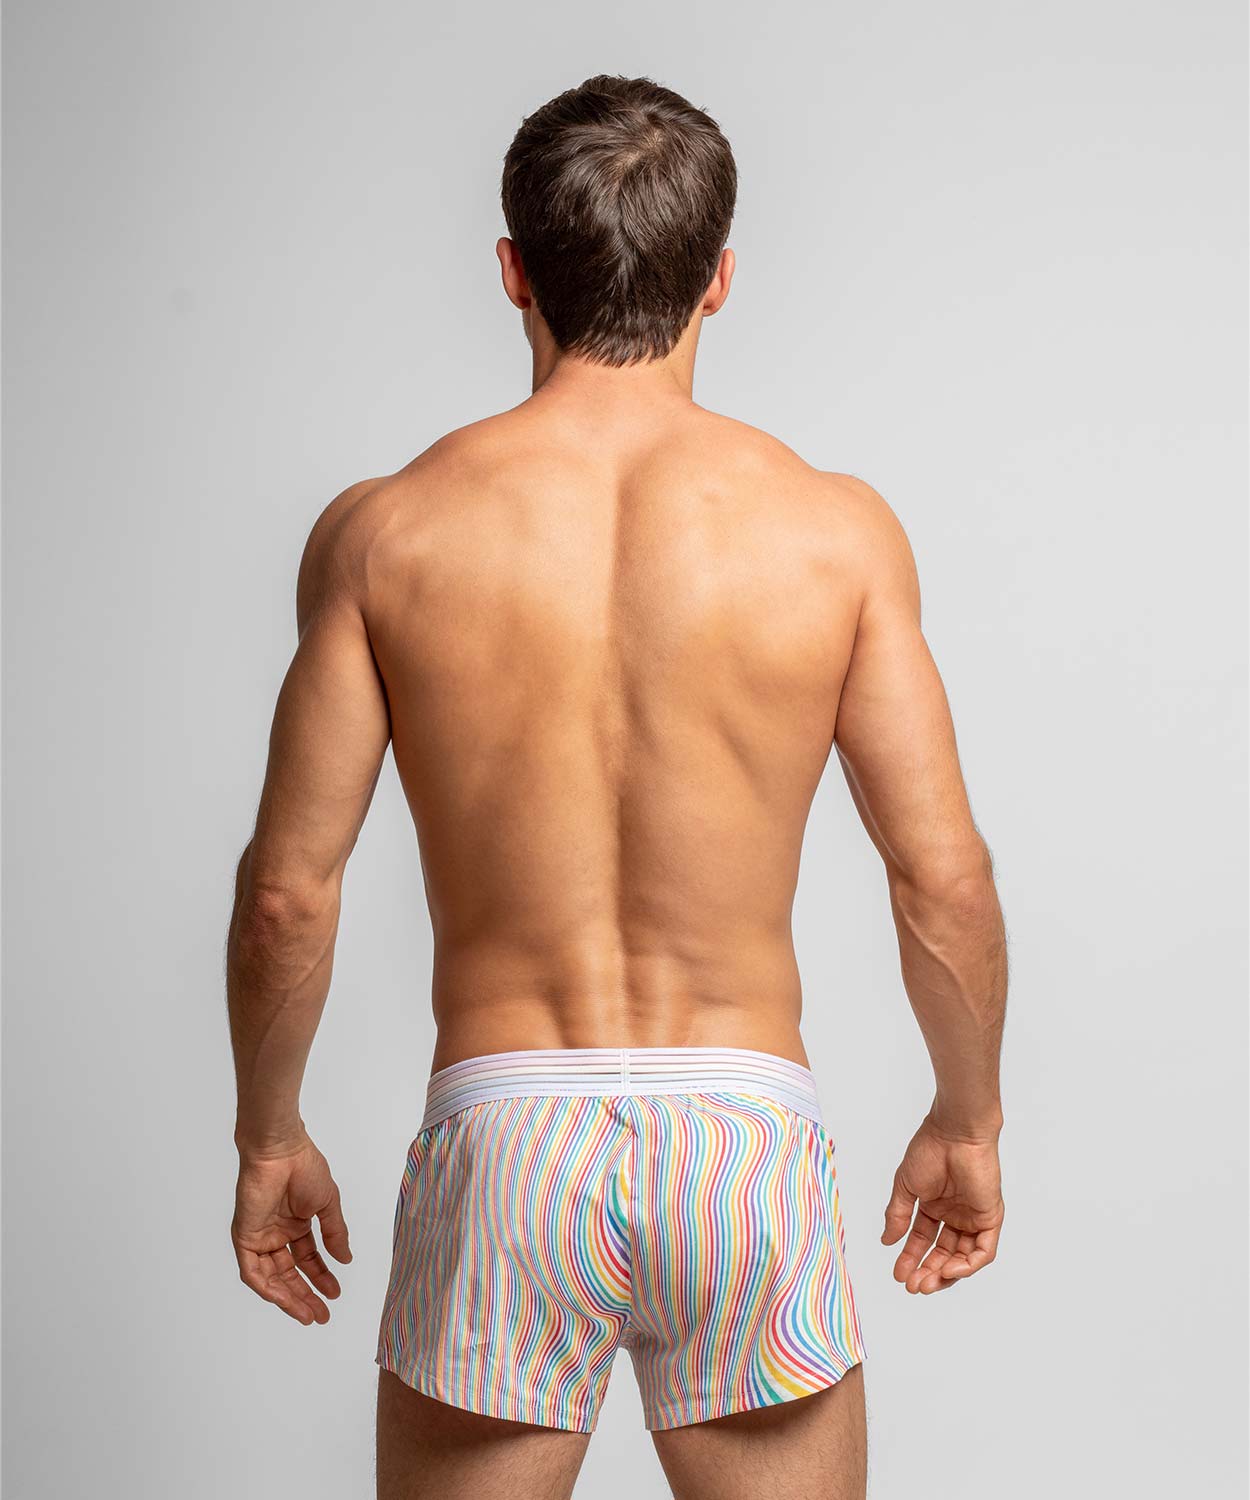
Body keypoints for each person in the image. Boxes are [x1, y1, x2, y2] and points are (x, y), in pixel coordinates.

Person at [225, 73, 1007, 1500]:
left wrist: (267, 1136)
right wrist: (968, 1121)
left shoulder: (386, 534)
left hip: (505, 1128)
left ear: (513, 270)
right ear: (718, 280)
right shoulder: (833, 535)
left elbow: (288, 894)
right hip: (741, 1129)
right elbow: (940, 879)